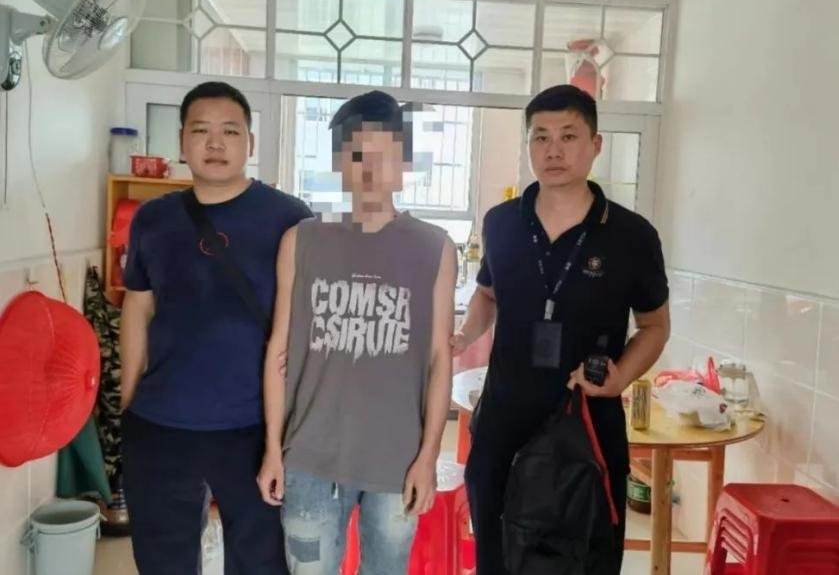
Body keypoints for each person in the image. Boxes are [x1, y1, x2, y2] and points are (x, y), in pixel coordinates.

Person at [452, 84, 671, 574]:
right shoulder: (501, 223)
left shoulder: (632, 235)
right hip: (503, 423)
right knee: (497, 556)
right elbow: (487, 294)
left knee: (584, 559)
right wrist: (465, 335)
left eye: (569, 136)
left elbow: (655, 326)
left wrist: (620, 377)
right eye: (541, 137)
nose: (554, 150)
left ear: (595, 144)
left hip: (587, 427)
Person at [257, 90, 457, 574]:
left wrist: (428, 456)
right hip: (309, 457)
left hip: (396, 461)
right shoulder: (301, 240)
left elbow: (439, 358)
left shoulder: (434, 247)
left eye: (384, 156)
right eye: (357, 156)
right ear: (338, 163)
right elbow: (278, 349)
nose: (370, 171)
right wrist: (273, 449)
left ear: (404, 164)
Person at [120, 81, 311, 575]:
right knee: (164, 560)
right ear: (182, 142)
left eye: (230, 130)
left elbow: (307, 320)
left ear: (250, 142)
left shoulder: (289, 217)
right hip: (162, 422)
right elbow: (138, 308)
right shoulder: (153, 219)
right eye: (200, 130)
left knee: (260, 561)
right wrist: (129, 400)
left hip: (254, 425)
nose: (215, 142)